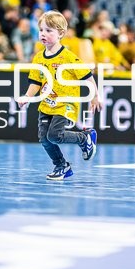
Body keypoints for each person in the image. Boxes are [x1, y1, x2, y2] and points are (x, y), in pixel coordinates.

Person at [17, 11, 101, 180]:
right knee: (45, 139)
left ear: (61, 34)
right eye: (41, 30)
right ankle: (62, 166)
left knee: (55, 135)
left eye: (49, 31)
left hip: (65, 103)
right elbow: (35, 82)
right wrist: (26, 96)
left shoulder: (68, 57)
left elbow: (87, 76)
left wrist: (94, 96)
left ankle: (84, 138)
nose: (43, 34)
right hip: (47, 104)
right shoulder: (38, 58)